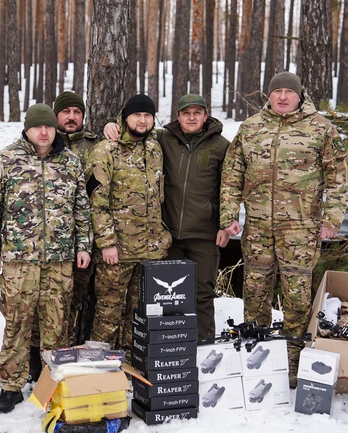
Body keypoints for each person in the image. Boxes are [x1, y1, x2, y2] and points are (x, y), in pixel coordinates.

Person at [219, 72, 348, 386]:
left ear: (298, 95)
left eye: (287, 92)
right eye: (276, 91)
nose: (281, 97)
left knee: (296, 299)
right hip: (258, 230)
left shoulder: (321, 129)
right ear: (269, 95)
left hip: (300, 230)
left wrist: (331, 220)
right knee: (254, 294)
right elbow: (231, 175)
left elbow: (339, 178)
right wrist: (228, 215)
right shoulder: (250, 128)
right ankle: (256, 360)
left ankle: (295, 365)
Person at [0, 103, 92, 413]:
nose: (43, 132)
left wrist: (83, 246)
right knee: (17, 322)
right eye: (36, 127)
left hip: (59, 259)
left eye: (47, 127)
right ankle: (10, 385)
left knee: (56, 325)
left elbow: (81, 209)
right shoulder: (6, 159)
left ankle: (50, 383)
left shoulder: (71, 162)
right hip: (19, 259)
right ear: (27, 129)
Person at [103, 94, 230, 340]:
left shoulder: (222, 146)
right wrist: (110, 123)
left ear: (206, 116)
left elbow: (230, 188)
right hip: (167, 235)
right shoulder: (161, 139)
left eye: (197, 113)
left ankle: (203, 347)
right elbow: (136, 128)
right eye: (186, 113)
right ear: (178, 116)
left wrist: (225, 224)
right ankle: (168, 346)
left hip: (204, 234)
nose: (191, 117)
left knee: (202, 293)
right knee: (165, 296)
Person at [86, 94, 172, 357]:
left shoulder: (154, 148)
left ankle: (127, 362)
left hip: (149, 251)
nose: (143, 120)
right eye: (137, 115)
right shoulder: (105, 150)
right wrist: (107, 244)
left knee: (137, 315)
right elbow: (96, 203)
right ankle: (99, 367)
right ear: (125, 118)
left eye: (147, 115)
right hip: (117, 253)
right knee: (108, 313)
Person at [52, 91, 101, 348]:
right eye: (66, 112)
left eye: (77, 112)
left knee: (80, 298)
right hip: (53, 241)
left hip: (86, 237)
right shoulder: (44, 142)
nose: (72, 117)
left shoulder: (95, 145)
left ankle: (77, 348)